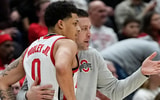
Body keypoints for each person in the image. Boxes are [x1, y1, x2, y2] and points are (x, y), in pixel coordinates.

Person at [17, 8, 160, 100]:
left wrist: (142, 73)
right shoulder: (43, 51)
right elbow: (19, 94)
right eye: (83, 28)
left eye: (89, 28)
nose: (89, 34)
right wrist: (28, 96)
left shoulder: (92, 55)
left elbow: (115, 92)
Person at [0, 1, 80, 100]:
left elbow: (2, 81)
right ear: (61, 24)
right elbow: (61, 66)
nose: (78, 29)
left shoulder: (29, 49)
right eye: (75, 23)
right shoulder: (66, 43)